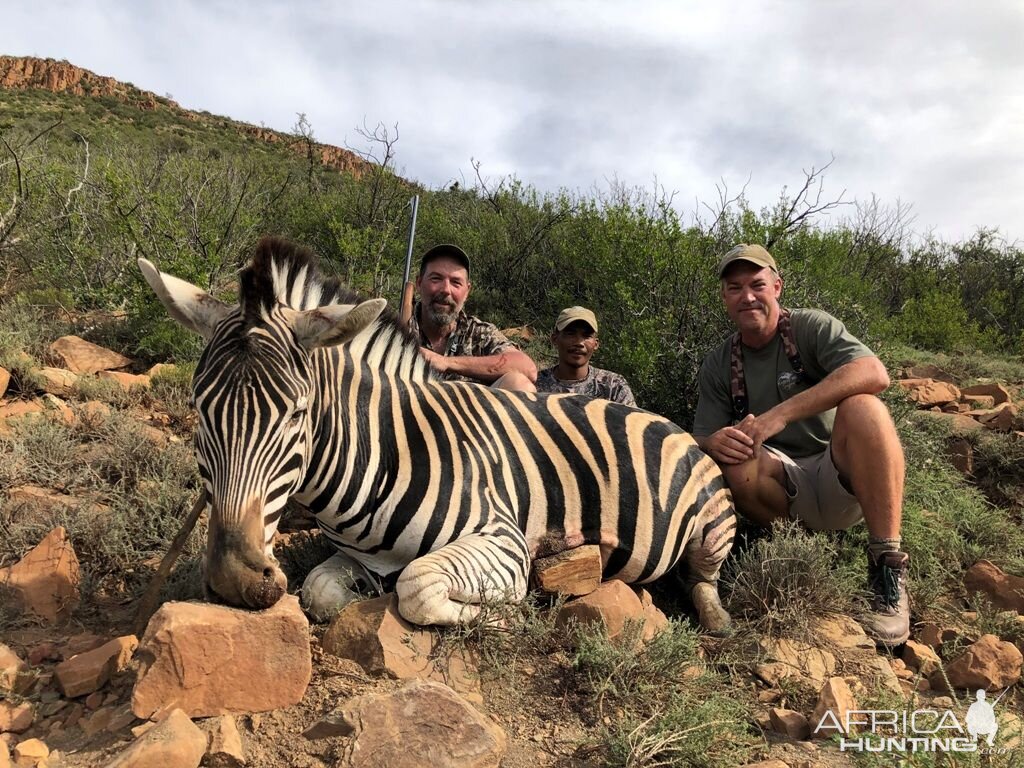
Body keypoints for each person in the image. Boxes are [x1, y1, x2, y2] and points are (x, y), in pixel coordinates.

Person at [692, 243, 910, 646]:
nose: (748, 296)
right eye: (735, 288)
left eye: (757, 284)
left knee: (866, 408)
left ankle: (887, 567)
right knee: (735, 460)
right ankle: (797, 547)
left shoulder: (810, 327)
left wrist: (780, 414)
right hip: (784, 486)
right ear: (724, 298)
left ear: (777, 286)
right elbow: (699, 435)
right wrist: (713, 441)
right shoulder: (720, 361)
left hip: (837, 475)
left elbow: (874, 372)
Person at [409, 244, 537, 390]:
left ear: (467, 291)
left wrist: (446, 362)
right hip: (408, 411)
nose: (446, 290)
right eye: (436, 279)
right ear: (419, 283)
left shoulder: (479, 333)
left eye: (456, 282)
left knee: (519, 384)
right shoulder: (396, 329)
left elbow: (527, 368)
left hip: (466, 412)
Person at [535, 306, 637, 407]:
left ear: (596, 344)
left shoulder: (613, 386)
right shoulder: (535, 385)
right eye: (570, 334)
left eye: (587, 336)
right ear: (555, 339)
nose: (579, 342)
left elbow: (632, 422)